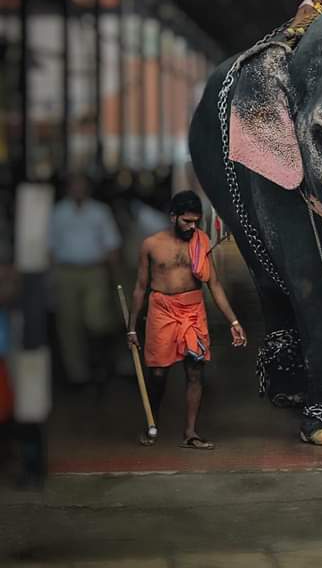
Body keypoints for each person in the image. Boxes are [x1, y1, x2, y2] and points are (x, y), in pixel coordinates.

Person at [127, 191, 247, 449]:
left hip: (192, 311)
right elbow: (140, 287)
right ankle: (152, 423)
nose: (192, 227)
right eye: (187, 222)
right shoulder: (151, 244)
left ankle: (191, 432)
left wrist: (234, 322)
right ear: (173, 217)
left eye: (196, 222)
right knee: (158, 374)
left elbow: (214, 284)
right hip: (161, 311)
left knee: (195, 371)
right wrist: (132, 327)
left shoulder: (201, 241)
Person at [49, 175, 121, 387]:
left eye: (81, 186)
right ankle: (77, 375)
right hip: (66, 272)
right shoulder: (58, 212)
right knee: (69, 324)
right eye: (74, 185)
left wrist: (114, 276)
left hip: (94, 271)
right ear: (68, 188)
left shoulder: (99, 212)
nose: (78, 190)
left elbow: (112, 245)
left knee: (97, 319)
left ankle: (100, 363)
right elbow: (50, 246)